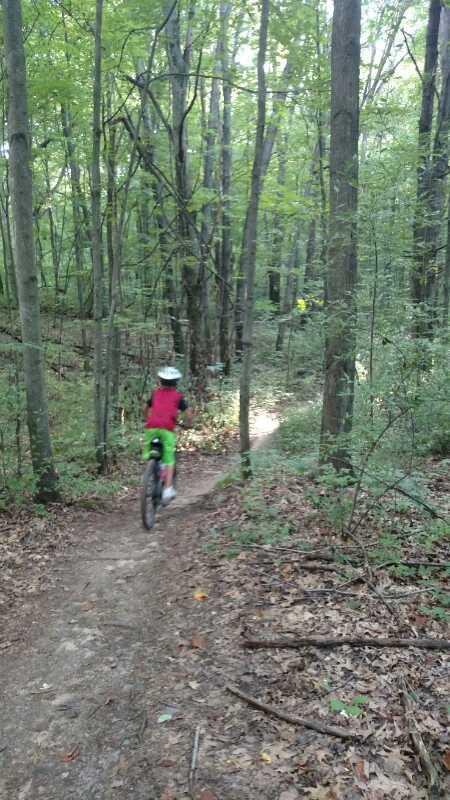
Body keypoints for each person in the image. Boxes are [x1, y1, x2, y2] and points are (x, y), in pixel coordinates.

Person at [142, 367, 192, 505]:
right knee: (169, 459)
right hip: (167, 430)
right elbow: (188, 413)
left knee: (152, 454)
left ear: (161, 381)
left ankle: (152, 469)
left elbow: (144, 408)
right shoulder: (177, 396)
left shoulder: (155, 393)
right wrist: (188, 424)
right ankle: (168, 489)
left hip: (151, 428)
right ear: (176, 382)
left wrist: (148, 419)